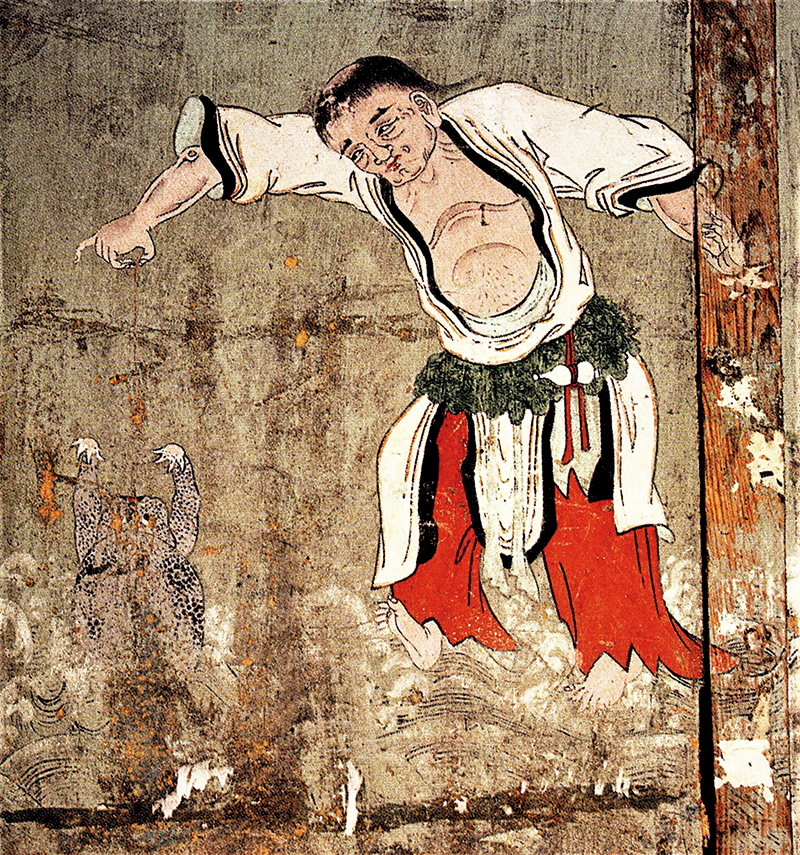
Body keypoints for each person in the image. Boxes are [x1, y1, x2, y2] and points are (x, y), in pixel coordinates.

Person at [77, 56, 741, 710]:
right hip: (473, 363)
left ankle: (614, 651)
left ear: (423, 104)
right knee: (424, 484)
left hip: (567, 351)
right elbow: (236, 154)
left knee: (589, 503)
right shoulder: (363, 176)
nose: (377, 154)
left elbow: (631, 158)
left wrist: (708, 226)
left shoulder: (503, 118)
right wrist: (141, 218)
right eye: (356, 150)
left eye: (386, 127)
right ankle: (432, 619)